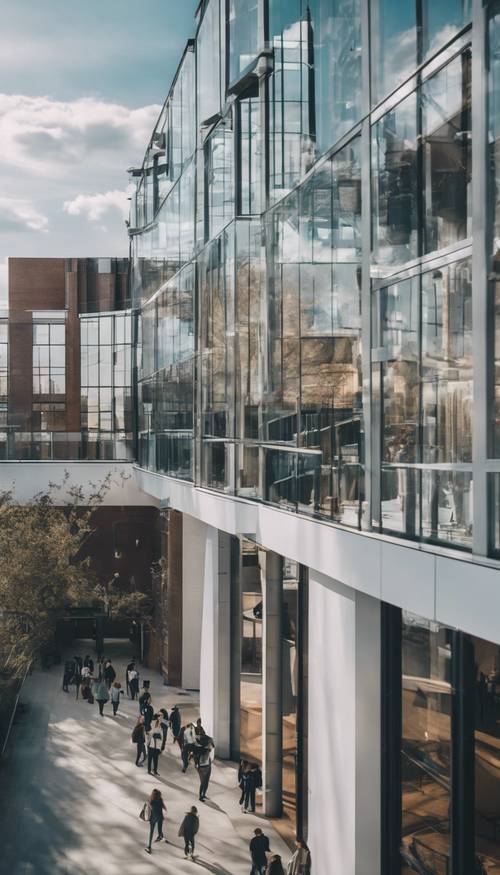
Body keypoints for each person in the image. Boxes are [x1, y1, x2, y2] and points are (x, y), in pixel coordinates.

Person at [143, 788, 166, 853]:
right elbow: (164, 807)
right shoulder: (160, 799)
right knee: (160, 829)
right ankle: (161, 836)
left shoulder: (151, 801)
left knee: (151, 832)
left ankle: (149, 847)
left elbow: (150, 809)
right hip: (160, 817)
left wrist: (147, 803)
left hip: (153, 818)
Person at [197, 734, 214, 801]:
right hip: (202, 768)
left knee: (206, 782)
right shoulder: (202, 749)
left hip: (208, 766)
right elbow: (202, 759)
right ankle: (200, 796)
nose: (211, 744)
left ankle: (203, 794)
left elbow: (212, 746)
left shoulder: (208, 748)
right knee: (203, 783)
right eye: (210, 742)